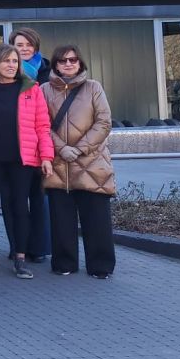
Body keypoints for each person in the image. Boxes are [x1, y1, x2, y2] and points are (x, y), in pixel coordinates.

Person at [0, 44, 54, 280]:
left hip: (22, 159)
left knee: (20, 207)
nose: (11, 65)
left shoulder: (31, 89)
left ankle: (20, 257)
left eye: (15, 61)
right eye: (6, 61)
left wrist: (47, 157)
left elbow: (43, 126)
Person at [42, 45, 116, 279]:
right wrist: (62, 148)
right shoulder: (44, 90)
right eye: (62, 60)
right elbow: (41, 124)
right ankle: (64, 263)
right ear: (55, 64)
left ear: (80, 62)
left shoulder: (93, 87)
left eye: (73, 60)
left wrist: (79, 148)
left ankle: (100, 266)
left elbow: (103, 122)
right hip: (58, 163)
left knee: (96, 218)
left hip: (92, 161)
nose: (68, 64)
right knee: (61, 219)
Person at [9, 26, 53, 263]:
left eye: (28, 45)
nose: (24, 49)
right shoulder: (5, 73)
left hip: (41, 144)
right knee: (15, 201)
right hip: (15, 147)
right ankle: (18, 247)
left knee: (39, 200)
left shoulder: (48, 72)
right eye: (19, 45)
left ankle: (39, 248)